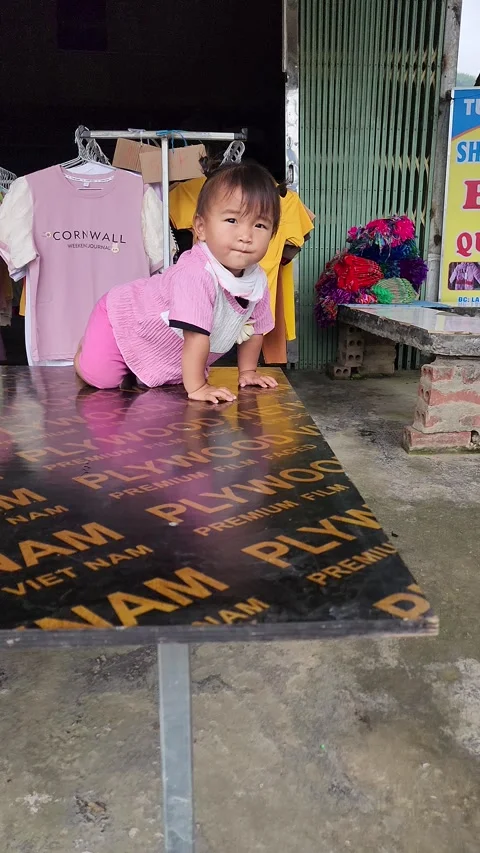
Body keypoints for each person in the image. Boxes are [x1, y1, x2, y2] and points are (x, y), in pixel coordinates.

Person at [74, 161, 280, 404]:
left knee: (168, 381)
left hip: (161, 345)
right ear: (201, 228)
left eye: (259, 225)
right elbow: (195, 337)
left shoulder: (257, 282)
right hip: (123, 318)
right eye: (232, 221)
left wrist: (247, 372)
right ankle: (83, 353)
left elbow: (255, 331)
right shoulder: (196, 273)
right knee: (102, 379)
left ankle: (136, 365)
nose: (245, 236)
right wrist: (198, 387)